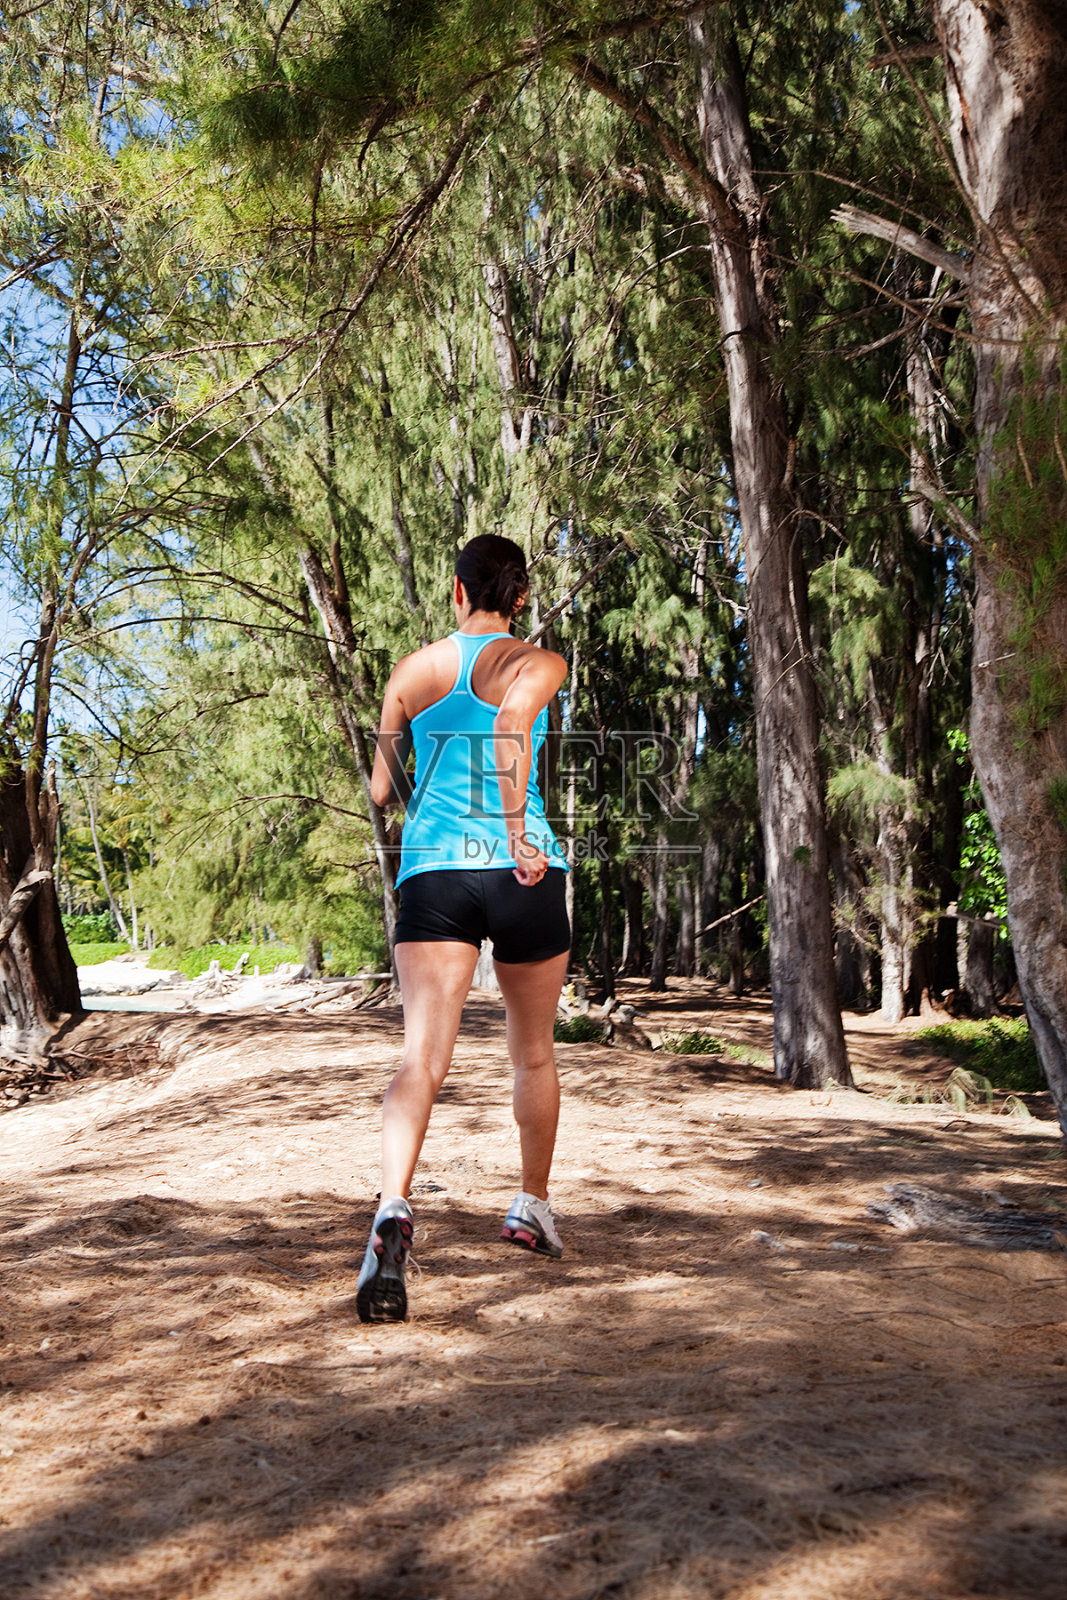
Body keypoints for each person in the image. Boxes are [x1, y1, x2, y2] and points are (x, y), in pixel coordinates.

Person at [356, 534, 570, 1324]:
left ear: (455, 592)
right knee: (533, 1052)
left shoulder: (410, 673)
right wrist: (514, 830)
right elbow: (513, 718)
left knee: (421, 1058)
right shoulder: (538, 664)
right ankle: (530, 1208)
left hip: (434, 876)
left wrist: (416, 753)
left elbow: (382, 790)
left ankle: (391, 1209)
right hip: (523, 873)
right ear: (518, 598)